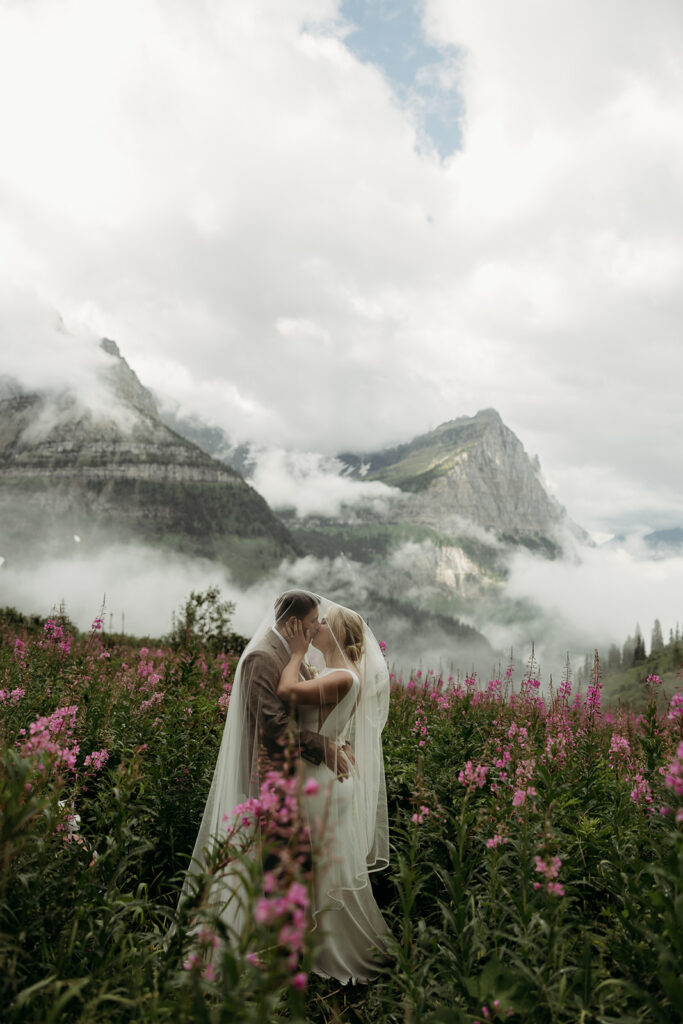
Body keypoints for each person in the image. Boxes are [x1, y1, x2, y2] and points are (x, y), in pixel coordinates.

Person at [180, 590, 391, 984]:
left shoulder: (321, 668)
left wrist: (330, 740)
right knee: (287, 867)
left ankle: (292, 952)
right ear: (294, 622)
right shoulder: (265, 657)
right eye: (311, 624)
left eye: (320, 626)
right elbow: (275, 726)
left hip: (309, 782)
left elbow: (299, 707)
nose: (313, 633)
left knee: (299, 868)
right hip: (286, 777)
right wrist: (325, 744)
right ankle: (281, 949)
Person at [277, 603, 391, 983]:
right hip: (324, 771)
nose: (317, 625)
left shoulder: (341, 675)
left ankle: (335, 952)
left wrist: (294, 654)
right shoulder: (336, 672)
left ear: (339, 636)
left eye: (323, 623)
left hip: (322, 781)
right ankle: (310, 944)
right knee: (320, 865)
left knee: (325, 868)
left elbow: (287, 691)